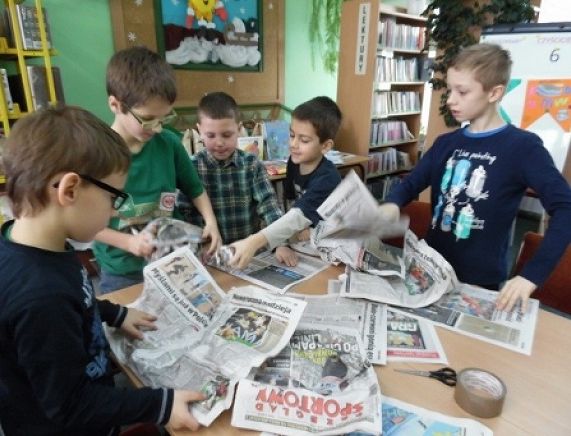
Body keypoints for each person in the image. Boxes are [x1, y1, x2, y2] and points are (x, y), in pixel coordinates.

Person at [0, 106, 205, 435]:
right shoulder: (39, 297)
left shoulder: (35, 244)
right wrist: (159, 406)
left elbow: (74, 301)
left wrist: (114, 313)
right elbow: (70, 405)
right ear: (70, 190)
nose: (115, 211)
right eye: (114, 198)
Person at [379, 43, 571, 312]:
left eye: (463, 91)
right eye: (450, 89)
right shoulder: (446, 143)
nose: (450, 100)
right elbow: (412, 183)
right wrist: (391, 203)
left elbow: (565, 208)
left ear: (494, 92)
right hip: (431, 270)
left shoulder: (523, 147)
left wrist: (531, 275)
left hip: (479, 282)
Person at [92, 46, 221, 293]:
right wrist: (128, 242)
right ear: (115, 105)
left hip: (172, 259)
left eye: (164, 118)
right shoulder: (96, 156)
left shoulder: (169, 143)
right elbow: (85, 223)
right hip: (123, 270)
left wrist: (210, 222)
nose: (158, 128)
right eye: (148, 119)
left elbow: (196, 190)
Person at [230, 96, 343, 269]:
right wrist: (285, 240)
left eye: (304, 140)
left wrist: (254, 241)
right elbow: (291, 205)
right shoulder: (293, 162)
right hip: (302, 241)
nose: (293, 144)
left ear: (326, 146)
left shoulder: (328, 177)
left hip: (333, 243)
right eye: (292, 135)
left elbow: (298, 216)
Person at [189, 92, 297, 266]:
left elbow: (269, 207)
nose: (219, 143)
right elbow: (185, 216)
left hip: (249, 254)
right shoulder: (191, 167)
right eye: (211, 136)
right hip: (208, 257)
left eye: (226, 135)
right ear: (199, 131)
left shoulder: (251, 164)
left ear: (239, 129)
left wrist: (280, 244)